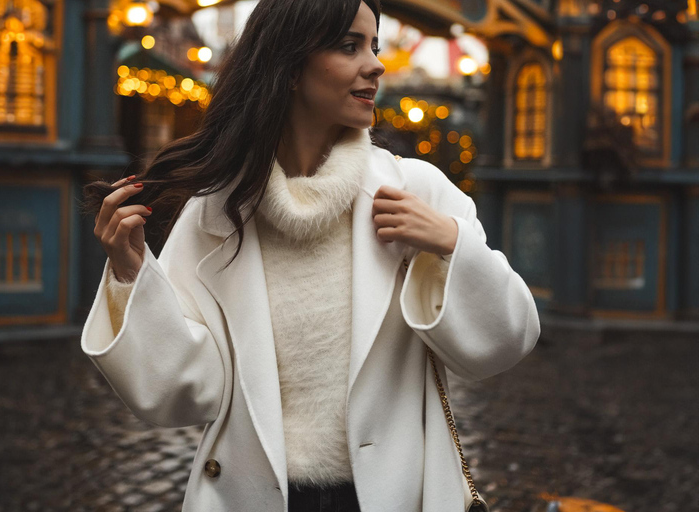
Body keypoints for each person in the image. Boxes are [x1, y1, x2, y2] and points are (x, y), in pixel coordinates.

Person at [80, 0, 541, 510]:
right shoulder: (215, 213)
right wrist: (130, 276)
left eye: (375, 45)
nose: (376, 63)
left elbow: (506, 342)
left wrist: (451, 245)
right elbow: (182, 394)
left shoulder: (416, 193)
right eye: (349, 46)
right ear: (289, 65)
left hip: (396, 493)